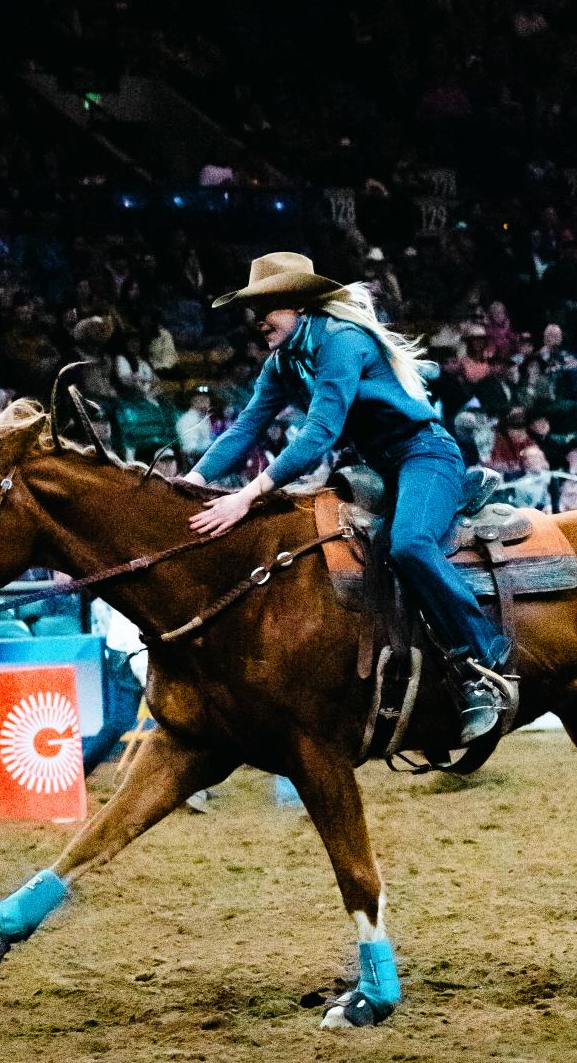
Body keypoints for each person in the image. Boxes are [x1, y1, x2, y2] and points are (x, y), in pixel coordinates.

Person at [183, 252, 516, 745]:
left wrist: (246, 497)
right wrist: (188, 484)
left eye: (265, 307)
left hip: (424, 454)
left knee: (409, 546)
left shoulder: (342, 340)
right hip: (378, 468)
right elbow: (245, 430)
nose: (256, 321)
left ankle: (483, 663)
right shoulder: (282, 364)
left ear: (297, 303)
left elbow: (319, 433)